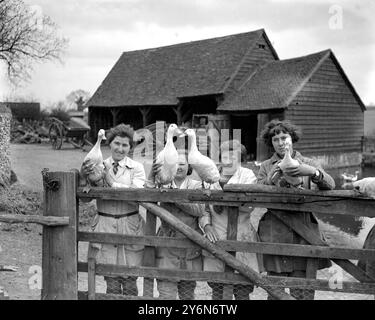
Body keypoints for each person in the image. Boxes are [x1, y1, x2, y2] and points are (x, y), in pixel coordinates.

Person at [257, 119, 335, 300]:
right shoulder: (265, 166)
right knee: (276, 290)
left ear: (292, 139)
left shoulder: (308, 161)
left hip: (304, 233)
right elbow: (257, 193)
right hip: (275, 230)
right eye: (276, 139)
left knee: (303, 289)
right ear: (271, 143)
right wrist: (269, 179)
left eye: (284, 137)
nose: (281, 142)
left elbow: (330, 184)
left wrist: (313, 173)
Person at [80, 123, 146, 296]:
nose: (120, 148)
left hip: (129, 225)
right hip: (105, 224)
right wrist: (84, 178)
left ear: (130, 147)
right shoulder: (97, 165)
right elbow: (86, 200)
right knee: (111, 280)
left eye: (125, 145)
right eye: (117, 143)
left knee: (130, 279)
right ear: (109, 143)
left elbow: (135, 193)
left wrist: (109, 181)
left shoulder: (137, 168)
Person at [200, 140, 262, 300]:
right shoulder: (210, 176)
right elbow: (204, 209)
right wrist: (207, 226)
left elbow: (249, 206)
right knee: (218, 289)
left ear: (240, 159)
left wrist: (224, 192)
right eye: (225, 155)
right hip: (217, 236)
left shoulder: (248, 175)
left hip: (241, 236)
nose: (228, 160)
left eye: (233, 156)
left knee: (242, 288)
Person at [151, 149, 207, 299]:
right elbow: (147, 194)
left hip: (190, 243)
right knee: (166, 293)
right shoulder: (162, 183)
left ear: (189, 166)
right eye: (175, 163)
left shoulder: (196, 185)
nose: (179, 166)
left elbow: (200, 209)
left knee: (187, 294)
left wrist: (175, 198)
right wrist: (153, 177)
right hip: (167, 243)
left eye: (182, 163)